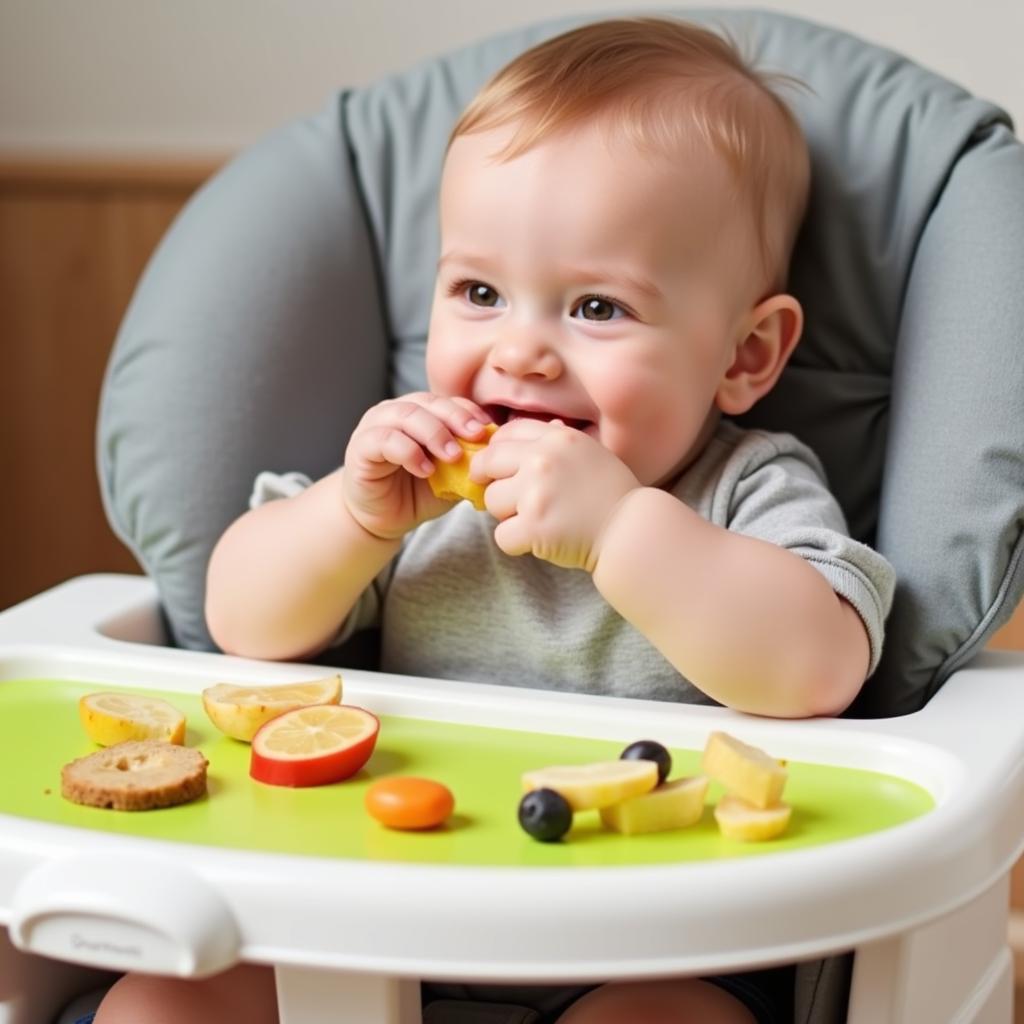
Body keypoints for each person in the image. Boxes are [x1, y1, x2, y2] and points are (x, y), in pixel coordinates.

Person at [88, 16, 894, 1024]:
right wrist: (352, 515)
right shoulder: (414, 484)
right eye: (478, 291)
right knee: (165, 998)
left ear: (745, 356)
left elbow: (816, 664)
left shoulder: (746, 489)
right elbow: (237, 621)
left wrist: (620, 531)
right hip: (370, 909)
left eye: (596, 308)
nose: (520, 353)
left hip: (643, 940)